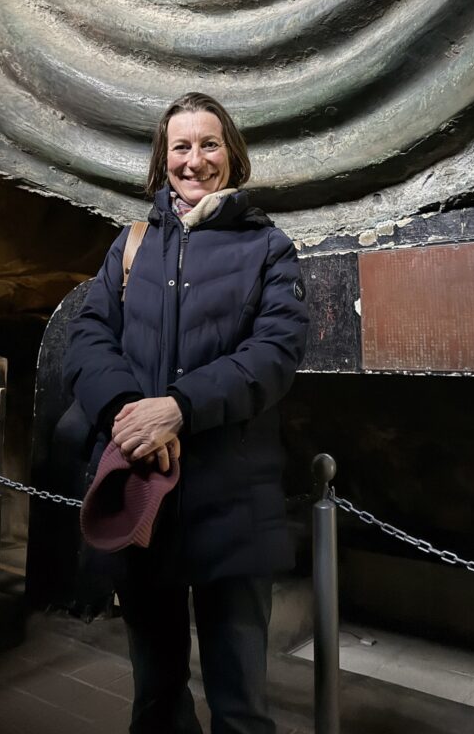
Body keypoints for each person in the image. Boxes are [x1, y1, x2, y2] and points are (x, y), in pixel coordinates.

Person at [63, 92, 309, 734]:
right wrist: (129, 413)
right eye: (180, 145)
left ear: (231, 154)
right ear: (161, 158)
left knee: (240, 705)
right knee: (156, 697)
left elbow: (274, 354)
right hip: (148, 492)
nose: (194, 159)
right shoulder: (132, 244)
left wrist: (179, 408)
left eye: (208, 144)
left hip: (231, 500)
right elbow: (89, 336)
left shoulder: (268, 248)